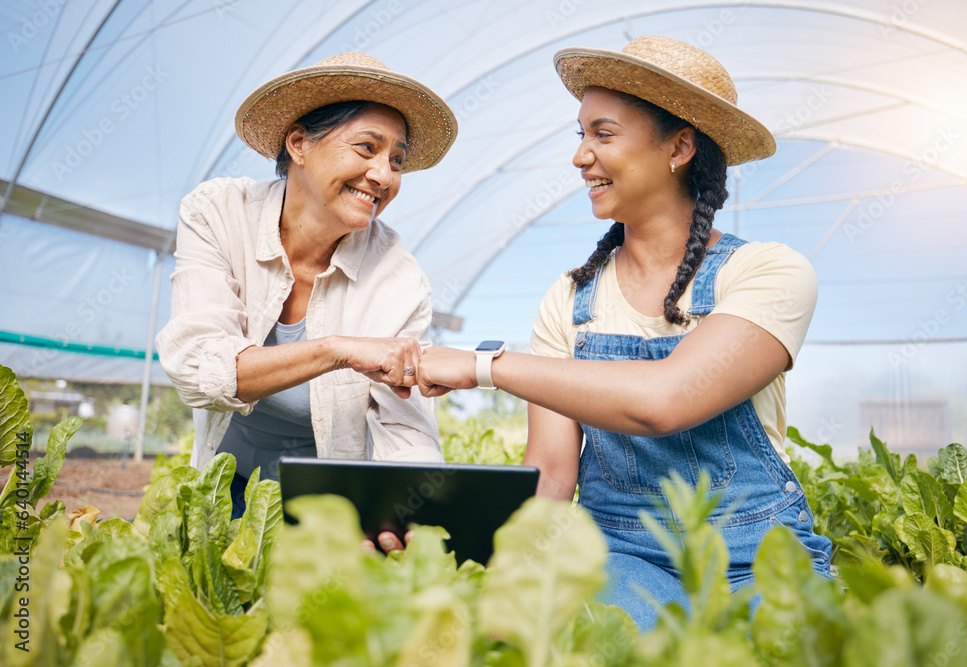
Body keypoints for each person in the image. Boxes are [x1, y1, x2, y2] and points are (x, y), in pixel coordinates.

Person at [416, 36, 833, 630]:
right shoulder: (570, 299)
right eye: (580, 135)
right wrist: (491, 578)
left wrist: (483, 366)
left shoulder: (768, 272)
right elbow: (553, 476)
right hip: (621, 556)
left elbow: (666, 400)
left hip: (760, 556)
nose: (581, 156)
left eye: (603, 134)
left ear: (680, 147)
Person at [155, 53, 458, 523]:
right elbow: (197, 366)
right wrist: (338, 349)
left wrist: (413, 515)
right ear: (298, 142)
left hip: (332, 504)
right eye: (366, 148)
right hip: (225, 483)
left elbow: (407, 430)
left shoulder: (398, 279)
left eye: (396, 160)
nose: (383, 176)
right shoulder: (218, 214)